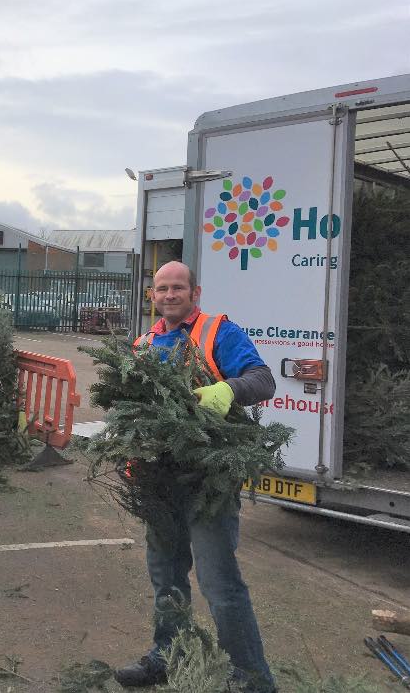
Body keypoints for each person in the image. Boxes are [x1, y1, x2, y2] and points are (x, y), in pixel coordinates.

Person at [116, 260, 277, 693]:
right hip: (158, 483)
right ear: (152, 295)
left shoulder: (217, 332)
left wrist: (228, 389)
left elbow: (263, 380)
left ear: (195, 292)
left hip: (208, 482)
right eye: (161, 288)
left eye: (178, 288)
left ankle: (252, 678)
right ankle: (169, 656)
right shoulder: (143, 344)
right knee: (166, 576)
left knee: (219, 582)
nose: (169, 295)